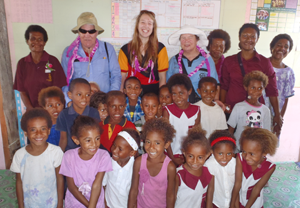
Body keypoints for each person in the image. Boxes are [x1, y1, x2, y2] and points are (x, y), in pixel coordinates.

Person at [220, 23, 281, 135]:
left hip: (254, 113)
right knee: (231, 144)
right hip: (232, 111)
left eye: (253, 36)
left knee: (253, 144)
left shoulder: (264, 62)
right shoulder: (229, 61)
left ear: (257, 39)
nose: (249, 39)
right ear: (239, 37)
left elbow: (272, 90)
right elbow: (224, 86)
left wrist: (277, 115)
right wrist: (223, 107)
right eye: (245, 36)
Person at [61, 12, 121, 105]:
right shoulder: (69, 52)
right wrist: (69, 101)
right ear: (78, 32)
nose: (87, 35)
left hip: (103, 103)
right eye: (83, 31)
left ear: (97, 32)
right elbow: (65, 81)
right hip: (80, 104)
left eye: (91, 31)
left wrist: (111, 98)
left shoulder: (108, 49)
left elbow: (116, 75)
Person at [10, 108, 64, 207]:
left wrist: (60, 203)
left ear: (48, 131)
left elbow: (60, 179)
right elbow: (19, 182)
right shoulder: (19, 155)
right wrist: (21, 205)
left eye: (43, 129)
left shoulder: (55, 152)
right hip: (30, 203)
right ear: (26, 132)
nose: (39, 133)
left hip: (51, 202)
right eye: (33, 129)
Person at [59, 115, 112, 207]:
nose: (94, 144)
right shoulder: (69, 156)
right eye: (88, 140)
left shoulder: (103, 155)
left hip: (96, 203)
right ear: (76, 140)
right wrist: (89, 206)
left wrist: (92, 206)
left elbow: (97, 184)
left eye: (97, 139)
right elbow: (71, 186)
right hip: (75, 203)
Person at [13, 25, 67, 109]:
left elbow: (58, 90)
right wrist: (32, 111)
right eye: (33, 39)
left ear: (45, 42)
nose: (37, 42)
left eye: (40, 39)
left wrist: (49, 109)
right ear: (27, 41)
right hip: (32, 110)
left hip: (52, 110)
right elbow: (22, 91)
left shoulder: (53, 61)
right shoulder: (22, 63)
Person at [128, 118, 176, 208]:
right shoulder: (139, 162)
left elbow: (170, 196)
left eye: (157, 143)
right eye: (148, 142)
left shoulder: (170, 167)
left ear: (166, 144)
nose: (151, 147)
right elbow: (134, 190)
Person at [119, 10, 169, 94]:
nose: (146, 26)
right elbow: (122, 77)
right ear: (137, 25)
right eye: (143, 22)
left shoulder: (160, 48)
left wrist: (161, 98)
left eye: (149, 23)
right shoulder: (125, 49)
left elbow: (162, 78)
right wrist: (120, 95)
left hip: (153, 95)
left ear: (153, 27)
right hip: (132, 94)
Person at [167, 25, 220, 103]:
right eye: (183, 38)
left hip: (202, 104)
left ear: (197, 40)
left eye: (190, 37)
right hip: (179, 104)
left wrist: (215, 103)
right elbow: (168, 85)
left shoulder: (207, 59)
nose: (186, 41)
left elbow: (215, 84)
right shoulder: (173, 60)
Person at [230, 127, 277, 208]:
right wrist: (233, 205)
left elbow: (256, 189)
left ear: (264, 152)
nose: (247, 157)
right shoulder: (240, 158)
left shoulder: (270, 167)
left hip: (254, 204)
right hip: (239, 200)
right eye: (244, 151)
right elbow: (237, 184)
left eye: (252, 154)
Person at [163, 73, 200, 167]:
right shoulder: (167, 111)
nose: (178, 97)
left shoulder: (196, 110)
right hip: (170, 155)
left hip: (189, 156)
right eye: (174, 94)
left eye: (181, 93)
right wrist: (172, 157)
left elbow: (196, 137)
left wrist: (188, 156)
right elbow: (165, 136)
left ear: (189, 91)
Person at [227, 71, 271, 151]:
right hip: (239, 148)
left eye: (260, 88)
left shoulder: (265, 110)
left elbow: (266, 133)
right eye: (253, 87)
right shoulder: (238, 107)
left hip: (256, 149)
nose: (256, 91)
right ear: (246, 87)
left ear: (263, 89)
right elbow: (231, 130)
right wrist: (230, 148)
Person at [56, 78, 100, 152]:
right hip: (70, 153)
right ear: (70, 95)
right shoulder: (64, 114)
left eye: (87, 95)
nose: (84, 98)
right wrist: (60, 158)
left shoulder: (94, 112)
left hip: (90, 152)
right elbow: (63, 139)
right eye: (79, 94)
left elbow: (97, 137)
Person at [263, 34, 295, 137]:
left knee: (268, 143)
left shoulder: (289, 72)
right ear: (272, 47)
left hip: (275, 114)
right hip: (257, 110)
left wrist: (279, 117)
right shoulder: (261, 65)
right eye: (279, 45)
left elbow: (286, 98)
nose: (282, 48)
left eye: (286, 47)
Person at [175, 125, 214, 208]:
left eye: (200, 157)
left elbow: (209, 202)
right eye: (190, 156)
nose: (195, 161)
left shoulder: (208, 174)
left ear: (207, 155)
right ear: (184, 153)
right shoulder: (178, 175)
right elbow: (170, 200)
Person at [103, 129, 140, 208]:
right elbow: (103, 184)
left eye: (120, 149)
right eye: (114, 145)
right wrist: (105, 204)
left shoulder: (136, 168)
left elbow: (137, 195)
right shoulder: (108, 162)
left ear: (132, 152)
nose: (114, 150)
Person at [205, 130, 237, 208]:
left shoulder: (235, 163)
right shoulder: (209, 164)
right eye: (220, 153)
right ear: (212, 151)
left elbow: (236, 186)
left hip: (231, 202)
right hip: (216, 203)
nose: (225, 158)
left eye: (229, 153)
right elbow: (210, 190)